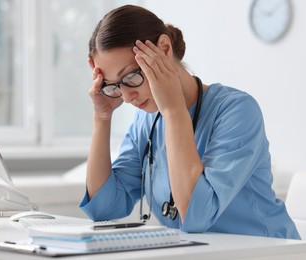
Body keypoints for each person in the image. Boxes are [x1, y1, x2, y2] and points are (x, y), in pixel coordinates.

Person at [80, 4, 300, 239]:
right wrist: (102, 117)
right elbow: (104, 209)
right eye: (114, 85)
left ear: (164, 49)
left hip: (270, 251)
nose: (125, 96)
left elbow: (198, 215)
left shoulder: (238, 111)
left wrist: (174, 110)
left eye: (131, 76)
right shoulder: (146, 123)